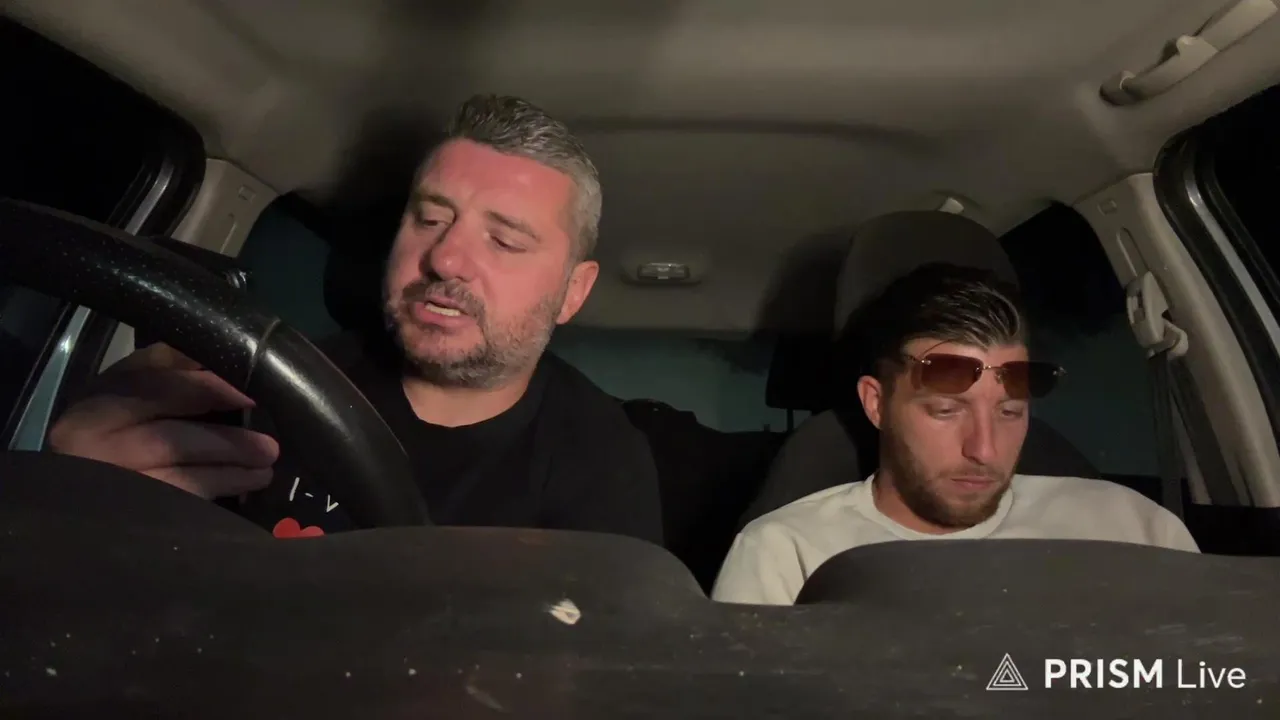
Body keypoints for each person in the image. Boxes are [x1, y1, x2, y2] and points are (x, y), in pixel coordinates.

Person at [46, 94, 664, 545]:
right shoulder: (272, 384)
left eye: (504, 241)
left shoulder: (602, 460)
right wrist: (75, 498)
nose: (445, 258)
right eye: (430, 219)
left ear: (573, 293)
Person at [711, 263, 1200, 605]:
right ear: (876, 403)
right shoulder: (787, 554)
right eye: (946, 411)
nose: (984, 449)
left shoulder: (1131, 529)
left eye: (1009, 412)